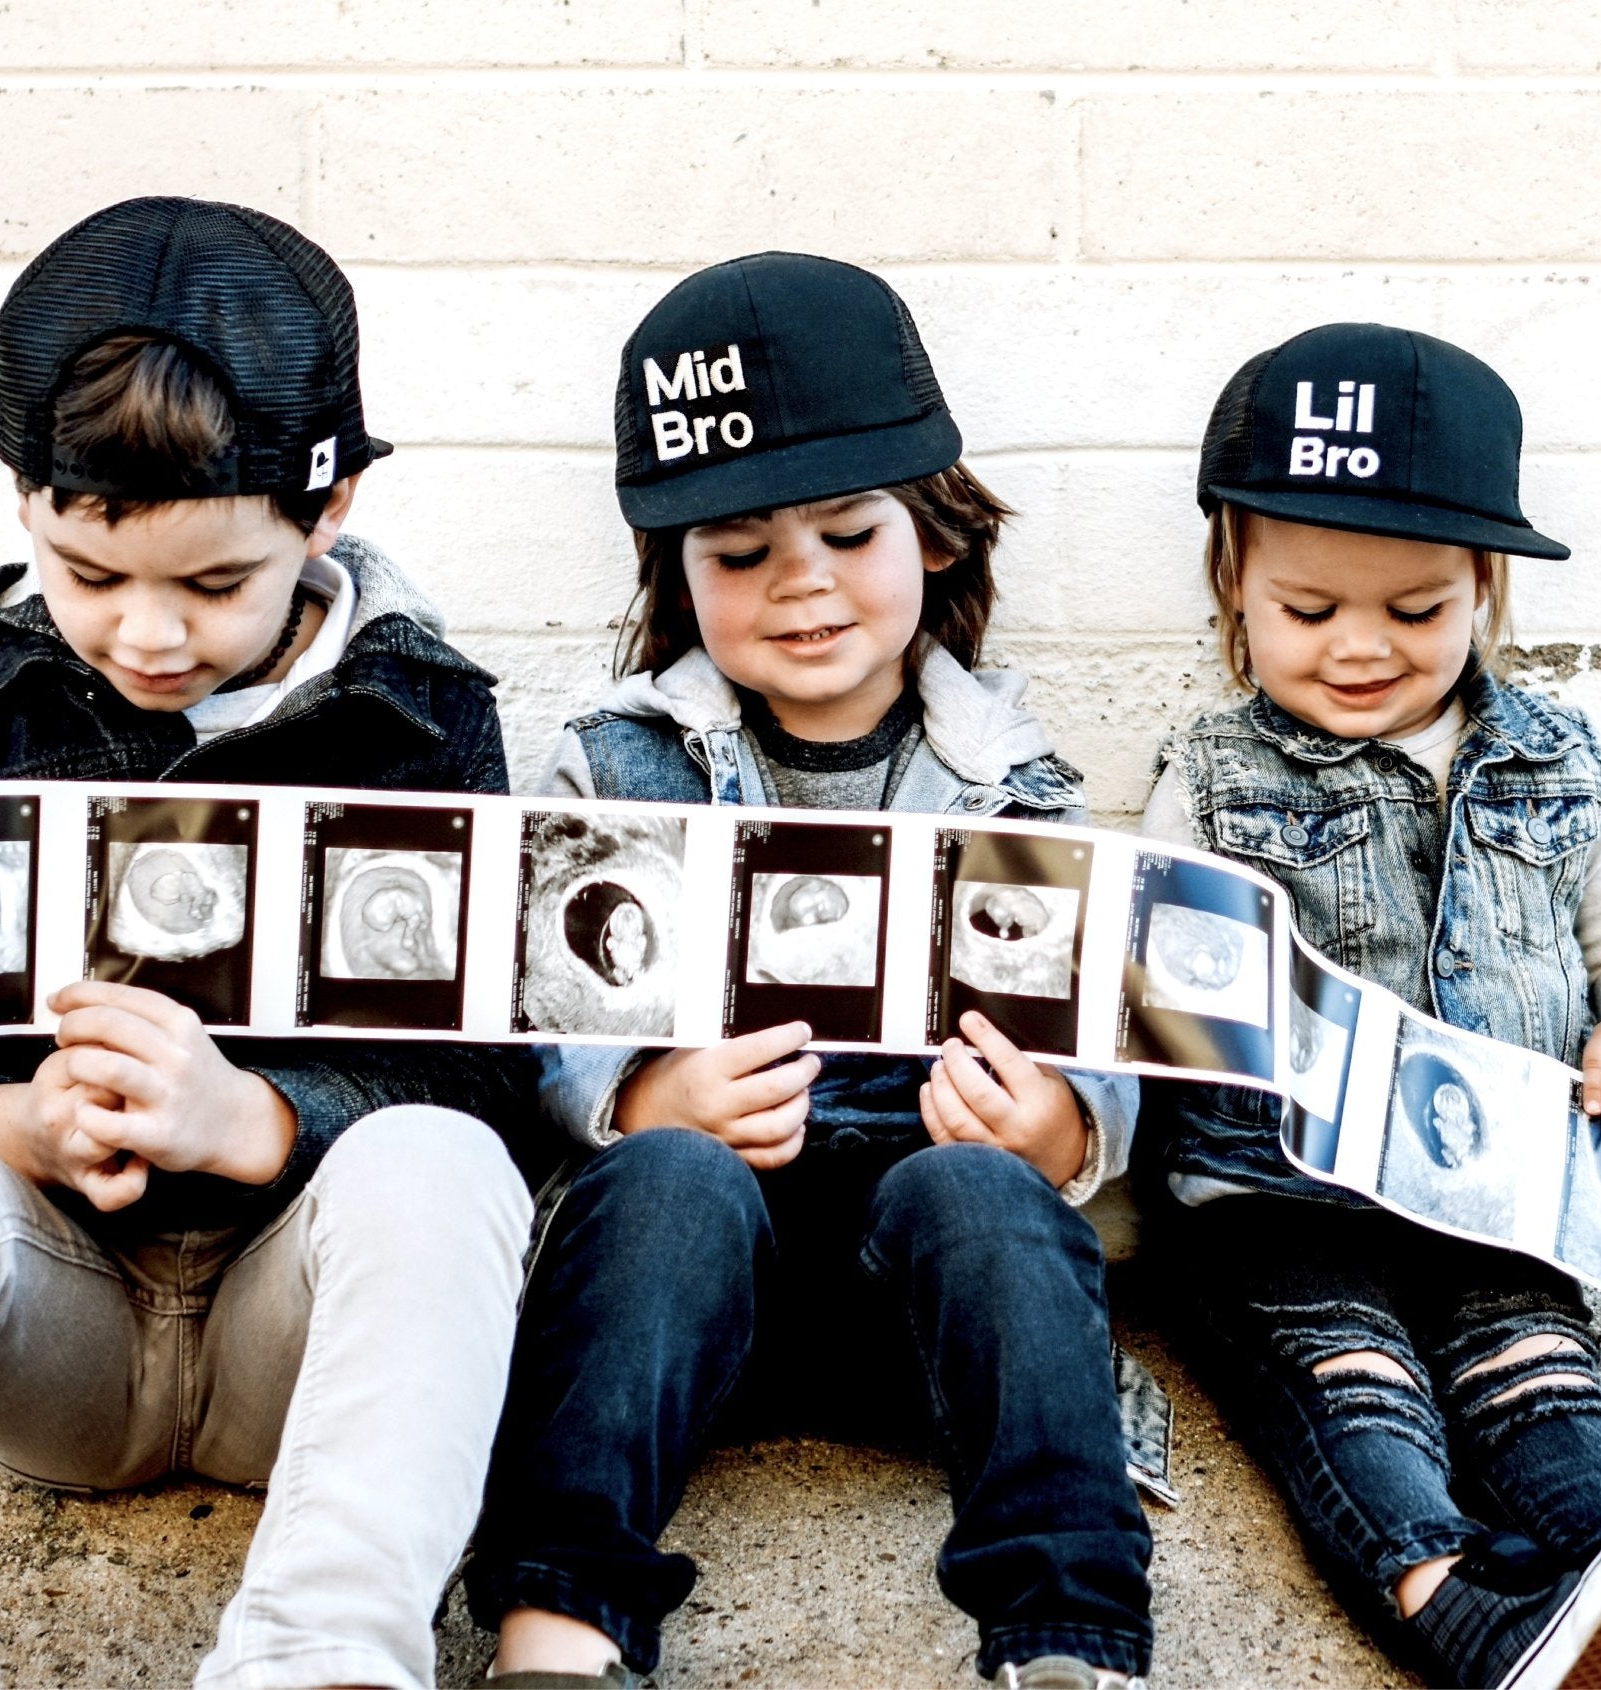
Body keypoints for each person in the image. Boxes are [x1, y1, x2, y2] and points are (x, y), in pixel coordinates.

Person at [0, 197, 542, 1689]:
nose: (147, 634)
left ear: (330, 515)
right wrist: (16, 1122)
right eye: (91, 573)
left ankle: (322, 1662)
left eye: (213, 585)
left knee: (445, 1166)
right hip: (45, 1322)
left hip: (290, 1329)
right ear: (22, 506)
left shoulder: (424, 715)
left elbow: (498, 1089)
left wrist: (252, 1120)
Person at [464, 253, 1154, 1690]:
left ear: (939, 535)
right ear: (676, 573)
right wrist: (646, 1093)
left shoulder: (1010, 780)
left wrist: (1061, 1127)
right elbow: (543, 1027)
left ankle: (1070, 1639)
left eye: (850, 533)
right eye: (740, 555)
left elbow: (1099, 1034)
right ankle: (560, 1630)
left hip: (923, 1298)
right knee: (664, 1182)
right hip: (686, 1302)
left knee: (980, 1188)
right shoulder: (622, 763)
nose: (805, 587)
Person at [1137, 321, 1601, 1689]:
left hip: (1506, 1196)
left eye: (1416, 608)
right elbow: (1146, 989)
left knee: (1537, 1377)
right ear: (1235, 587)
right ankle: (1478, 1619)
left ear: (1486, 588)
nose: (1361, 649)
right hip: (1276, 1208)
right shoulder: (1209, 772)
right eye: (1310, 609)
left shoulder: (1551, 760)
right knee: (1357, 1391)